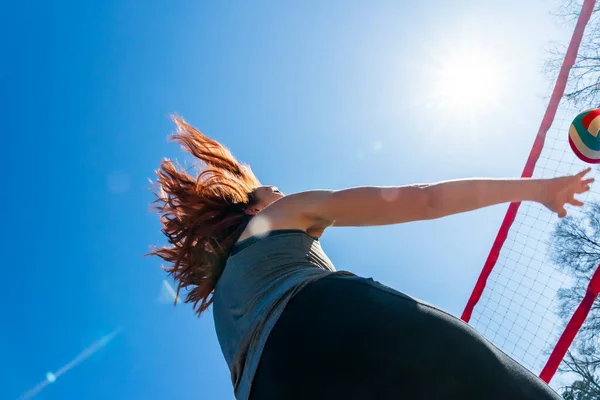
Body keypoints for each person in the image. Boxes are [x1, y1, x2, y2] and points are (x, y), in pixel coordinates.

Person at [150, 116, 593, 400]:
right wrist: (536, 189)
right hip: (332, 323)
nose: (281, 193)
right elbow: (427, 200)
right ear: (253, 207)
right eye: (274, 191)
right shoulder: (279, 216)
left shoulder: (224, 302)